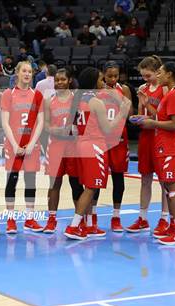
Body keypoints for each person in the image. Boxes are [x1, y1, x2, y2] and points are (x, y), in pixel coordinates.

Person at [64, 67, 130, 240]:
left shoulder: (76, 99)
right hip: (95, 146)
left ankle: (85, 225)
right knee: (91, 188)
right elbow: (108, 129)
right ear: (94, 82)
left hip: (80, 146)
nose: (103, 82)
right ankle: (74, 226)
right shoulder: (96, 102)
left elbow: (72, 128)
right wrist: (122, 113)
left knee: (87, 187)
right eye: (101, 79)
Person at [138, 62, 175, 245]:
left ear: (169, 74)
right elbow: (163, 119)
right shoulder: (172, 94)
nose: (157, 76)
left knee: (174, 189)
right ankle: (174, 226)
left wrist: (153, 124)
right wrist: (147, 110)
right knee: (169, 188)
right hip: (165, 147)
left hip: (172, 147)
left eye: (160, 73)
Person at [127, 56, 169, 236]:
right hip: (145, 137)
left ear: (158, 71)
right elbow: (140, 113)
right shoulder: (143, 88)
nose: (145, 79)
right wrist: (136, 118)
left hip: (160, 137)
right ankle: (143, 218)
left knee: (164, 181)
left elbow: (165, 117)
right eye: (143, 76)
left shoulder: (165, 89)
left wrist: (146, 105)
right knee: (145, 179)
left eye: (148, 75)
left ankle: (164, 219)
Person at [1, 61, 45, 233]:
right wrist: (14, 145)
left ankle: (29, 218)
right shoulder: (8, 94)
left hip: (31, 146)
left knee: (30, 181)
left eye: (30, 71)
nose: (27, 74)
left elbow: (40, 122)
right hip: (13, 145)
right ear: (17, 73)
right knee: (12, 181)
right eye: (24, 71)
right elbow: (5, 122)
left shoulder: (37, 95)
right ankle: (10, 219)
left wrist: (31, 144)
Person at [43, 68, 85, 233]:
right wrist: (55, 130)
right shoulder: (49, 101)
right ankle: (51, 219)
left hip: (73, 147)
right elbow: (45, 124)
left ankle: (78, 220)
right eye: (57, 80)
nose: (59, 82)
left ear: (69, 80)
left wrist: (74, 130)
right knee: (54, 184)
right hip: (55, 147)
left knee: (76, 184)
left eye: (62, 79)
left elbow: (83, 123)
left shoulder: (77, 100)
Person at [98, 61, 132, 232]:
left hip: (119, 140)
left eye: (115, 76)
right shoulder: (98, 91)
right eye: (109, 75)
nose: (112, 79)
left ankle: (116, 216)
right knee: (95, 180)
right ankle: (92, 216)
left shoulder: (123, 89)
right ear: (103, 74)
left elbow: (130, 114)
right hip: (102, 139)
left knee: (118, 178)